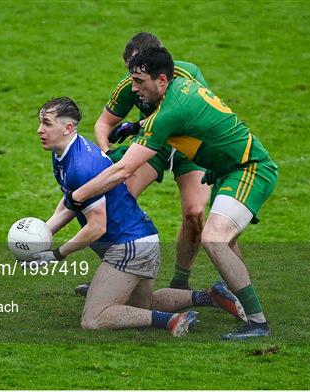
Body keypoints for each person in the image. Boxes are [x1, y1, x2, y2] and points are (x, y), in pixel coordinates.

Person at [67, 48, 279, 340]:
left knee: (214, 238)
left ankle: (258, 322)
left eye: (140, 81)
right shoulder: (178, 88)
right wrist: (135, 126)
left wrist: (77, 196)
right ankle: (233, 298)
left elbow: (123, 170)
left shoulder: (169, 110)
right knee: (224, 243)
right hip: (226, 170)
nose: (134, 88)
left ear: (162, 80)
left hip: (249, 169)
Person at [31, 96, 201, 337]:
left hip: (129, 246)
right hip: (139, 239)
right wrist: (42, 236)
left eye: (46, 123)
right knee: (143, 305)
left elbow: (96, 227)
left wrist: (57, 254)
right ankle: (212, 296)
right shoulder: (64, 152)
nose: (40, 130)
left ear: (68, 128)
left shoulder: (81, 165)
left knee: (94, 318)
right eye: (40, 123)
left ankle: (173, 320)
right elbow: (72, 202)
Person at [94, 32, 211, 290]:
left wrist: (134, 126)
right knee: (118, 201)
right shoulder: (130, 85)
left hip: (190, 147)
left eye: (139, 73)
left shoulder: (187, 76)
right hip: (152, 146)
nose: (133, 80)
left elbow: (182, 115)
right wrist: (106, 152)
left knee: (195, 213)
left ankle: (180, 283)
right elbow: (103, 123)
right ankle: (116, 274)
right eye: (130, 71)